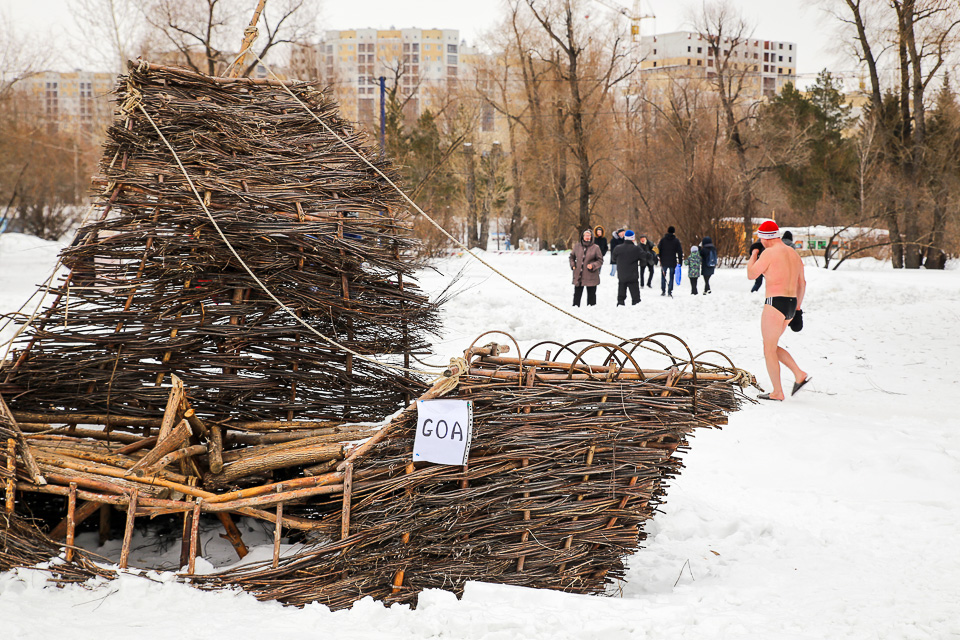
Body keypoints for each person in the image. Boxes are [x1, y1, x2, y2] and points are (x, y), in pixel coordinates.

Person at [747, 220, 811, 401]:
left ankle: (777, 392)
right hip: (791, 304)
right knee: (772, 346)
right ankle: (798, 373)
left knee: (768, 349)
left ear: (765, 238)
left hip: (775, 303)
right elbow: (802, 283)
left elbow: (751, 274)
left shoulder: (769, 253)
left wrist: (754, 253)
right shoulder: (793, 254)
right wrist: (798, 309)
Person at [569, 228, 603, 307]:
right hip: (579, 275)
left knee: (591, 297)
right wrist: (573, 265)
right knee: (577, 295)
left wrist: (593, 265)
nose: (587, 237)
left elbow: (600, 260)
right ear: (582, 236)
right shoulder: (577, 246)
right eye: (586, 236)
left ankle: (591, 310)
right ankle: (575, 309)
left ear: (591, 237)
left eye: (589, 236)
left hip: (591, 275)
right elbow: (571, 257)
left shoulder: (596, 247)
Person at [612, 230, 643, 305]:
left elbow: (613, 259)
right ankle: (636, 306)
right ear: (633, 238)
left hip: (622, 275)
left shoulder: (618, 248)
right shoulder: (636, 249)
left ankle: (620, 304)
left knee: (621, 293)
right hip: (633, 275)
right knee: (635, 297)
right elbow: (644, 257)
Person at [657, 226, 683, 297]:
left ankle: (663, 290)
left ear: (667, 231)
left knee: (663, 275)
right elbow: (680, 252)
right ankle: (670, 291)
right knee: (671, 276)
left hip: (664, 260)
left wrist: (658, 256)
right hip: (672, 261)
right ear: (674, 232)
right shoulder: (676, 241)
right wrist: (680, 261)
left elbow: (658, 249)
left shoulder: (663, 240)